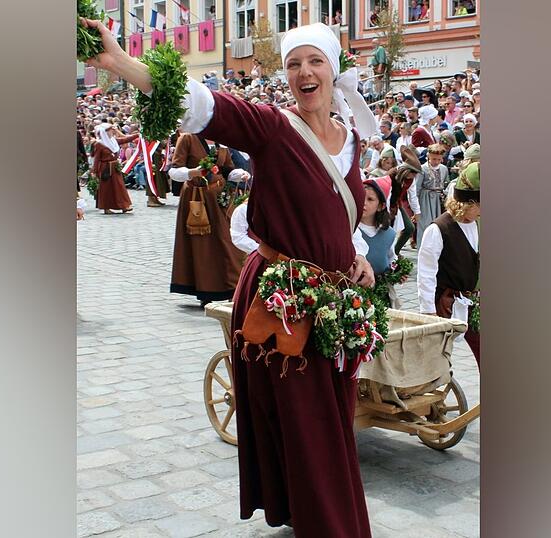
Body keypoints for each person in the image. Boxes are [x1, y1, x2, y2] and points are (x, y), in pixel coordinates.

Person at [79, 19, 376, 536]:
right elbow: (206, 105)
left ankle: (294, 505)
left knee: (333, 412)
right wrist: (122, 65)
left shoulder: (350, 139)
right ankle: (334, 525)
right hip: (282, 298)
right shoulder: (272, 128)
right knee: (313, 426)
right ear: (285, 75)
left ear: (334, 69)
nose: (304, 72)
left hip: (334, 300)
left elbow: (339, 213)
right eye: (293, 64)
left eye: (315, 61)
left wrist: (357, 254)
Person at [167, 133, 243, 305]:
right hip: (198, 197)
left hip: (221, 197)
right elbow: (174, 170)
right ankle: (208, 290)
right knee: (204, 246)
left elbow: (227, 169)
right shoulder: (187, 138)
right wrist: (191, 172)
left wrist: (238, 174)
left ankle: (234, 286)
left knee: (229, 240)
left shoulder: (221, 140)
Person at [417, 161, 480, 368]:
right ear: (468, 203)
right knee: (436, 360)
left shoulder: (478, 224)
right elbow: (426, 273)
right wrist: (428, 313)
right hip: (444, 303)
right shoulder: (438, 230)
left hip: (473, 302)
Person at [359, 176, 399, 305]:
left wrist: (398, 272)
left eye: (370, 199)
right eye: (361, 196)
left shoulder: (389, 234)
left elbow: (392, 258)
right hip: (355, 294)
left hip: (380, 295)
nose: (363, 202)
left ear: (381, 206)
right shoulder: (350, 230)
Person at [409, 143, 451, 248]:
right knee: (425, 224)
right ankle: (423, 248)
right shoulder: (422, 169)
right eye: (433, 159)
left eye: (438, 159)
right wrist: (416, 208)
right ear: (428, 156)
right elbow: (417, 188)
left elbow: (446, 183)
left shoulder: (444, 169)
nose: (436, 161)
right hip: (425, 199)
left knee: (438, 225)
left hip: (438, 200)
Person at [90, 123, 136, 214]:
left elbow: (125, 139)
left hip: (115, 167)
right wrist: (94, 172)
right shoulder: (99, 144)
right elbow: (96, 159)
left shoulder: (113, 141)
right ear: (105, 132)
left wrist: (137, 135)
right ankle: (106, 208)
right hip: (105, 168)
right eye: (111, 130)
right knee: (106, 188)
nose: (113, 132)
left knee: (119, 187)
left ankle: (124, 206)